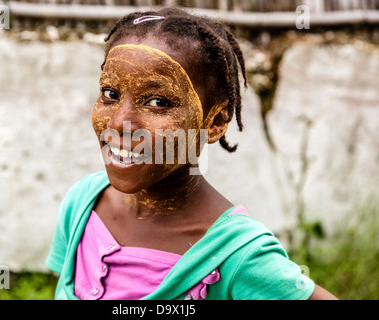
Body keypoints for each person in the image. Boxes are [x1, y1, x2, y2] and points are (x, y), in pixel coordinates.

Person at [46, 7, 337, 300]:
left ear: (215, 121)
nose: (120, 122)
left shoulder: (236, 255)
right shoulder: (83, 205)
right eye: (110, 93)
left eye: (158, 102)